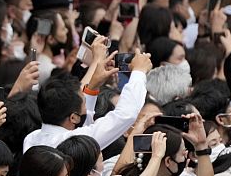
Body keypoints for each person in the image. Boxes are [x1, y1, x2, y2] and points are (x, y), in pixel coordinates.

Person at [22, 49, 152, 152]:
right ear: (73, 118)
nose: (85, 96)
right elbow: (125, 115)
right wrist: (139, 72)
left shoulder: (31, 138)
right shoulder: (72, 142)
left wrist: (94, 86)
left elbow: (85, 127)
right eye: (83, 98)